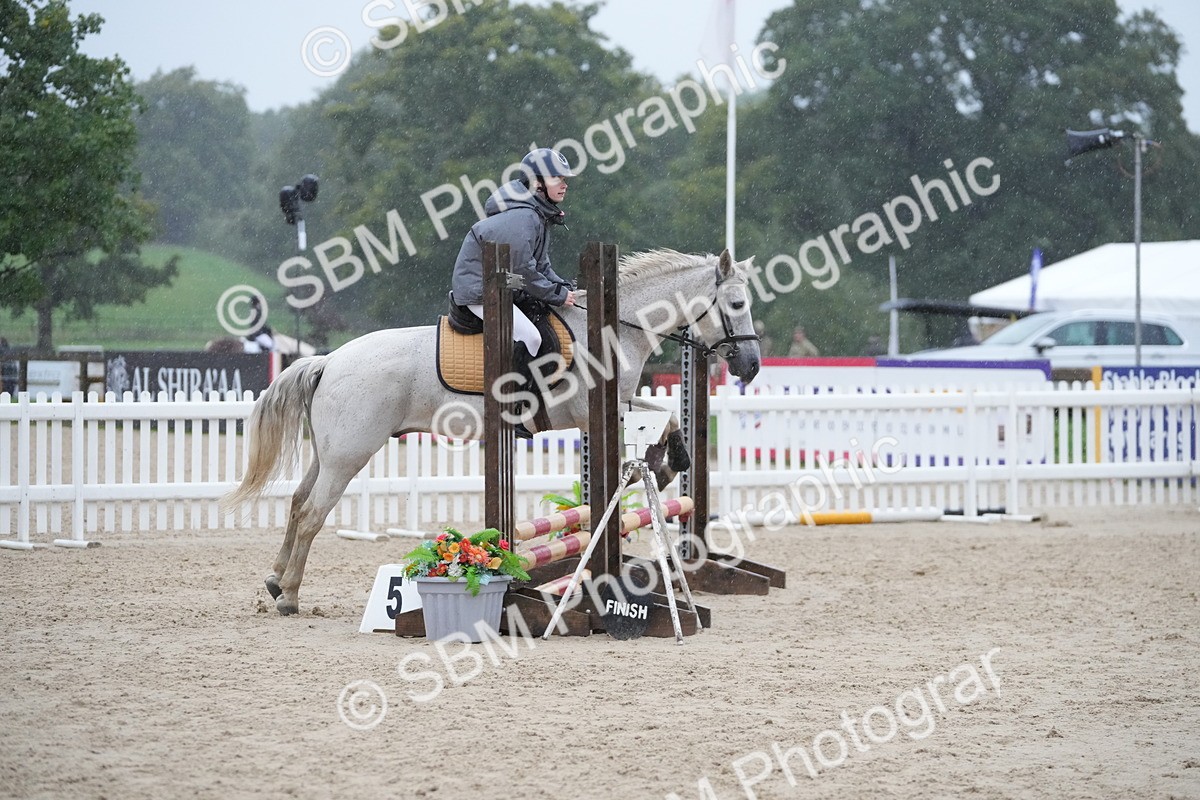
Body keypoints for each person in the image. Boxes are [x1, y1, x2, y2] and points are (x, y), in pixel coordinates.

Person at [450, 147, 577, 436]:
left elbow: (541, 266)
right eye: (557, 177)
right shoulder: (524, 217)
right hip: (480, 291)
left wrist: (565, 288)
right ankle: (510, 410)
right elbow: (525, 270)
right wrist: (556, 295)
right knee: (531, 337)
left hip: (503, 285)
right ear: (537, 183)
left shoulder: (536, 215)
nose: (564, 183)